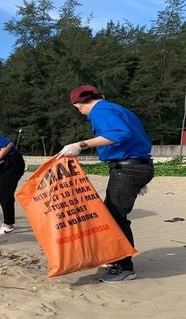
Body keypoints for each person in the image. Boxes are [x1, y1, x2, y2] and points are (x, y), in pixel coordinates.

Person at [58, 84, 154, 283]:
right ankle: (116, 257)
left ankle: (125, 267)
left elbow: (120, 133)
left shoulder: (100, 111)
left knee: (116, 217)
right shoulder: (117, 109)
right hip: (135, 165)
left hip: (128, 168)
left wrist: (81, 144)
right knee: (111, 213)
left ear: (77, 105)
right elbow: (134, 135)